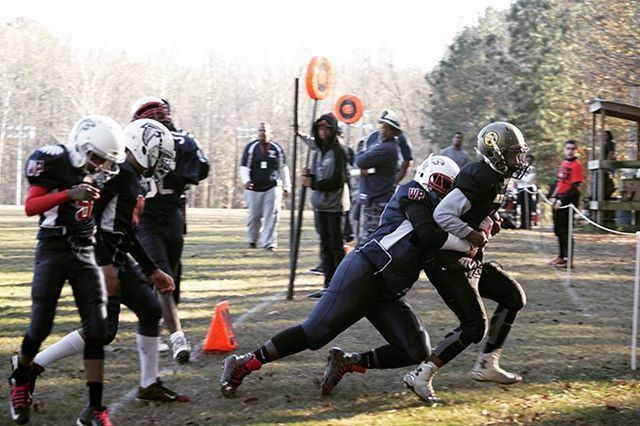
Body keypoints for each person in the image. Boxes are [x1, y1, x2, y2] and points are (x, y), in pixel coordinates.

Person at [218, 155, 471, 399]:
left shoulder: (441, 219)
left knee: (416, 349)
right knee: (315, 333)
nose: (445, 193)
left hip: (388, 290)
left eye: (450, 189)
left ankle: (347, 362)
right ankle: (244, 363)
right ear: (426, 177)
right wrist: (468, 241)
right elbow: (427, 233)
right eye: (442, 184)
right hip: (365, 271)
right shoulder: (413, 193)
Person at [29, 119, 189, 409]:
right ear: (143, 148)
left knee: (150, 309)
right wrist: (105, 265)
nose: (162, 163)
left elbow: (126, 231)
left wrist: (152, 270)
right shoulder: (117, 175)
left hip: (117, 258)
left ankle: (148, 384)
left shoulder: (133, 178)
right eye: (159, 155)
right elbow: (88, 219)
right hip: (101, 259)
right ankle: (32, 365)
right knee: (102, 331)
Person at [9, 115, 125, 425]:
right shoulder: (54, 159)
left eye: (105, 160)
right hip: (52, 248)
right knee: (39, 328)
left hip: (84, 250)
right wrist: (68, 194)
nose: (100, 165)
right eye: (98, 157)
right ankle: (21, 379)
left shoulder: (98, 171)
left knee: (98, 330)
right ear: (82, 147)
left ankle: (95, 408)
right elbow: (31, 206)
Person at [403, 122, 529, 405]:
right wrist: (474, 234)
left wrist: (489, 222)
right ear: (495, 153)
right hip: (447, 261)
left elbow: (476, 210)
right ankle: (421, 376)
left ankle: (487, 364)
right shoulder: (479, 175)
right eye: (512, 154)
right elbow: (443, 215)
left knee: (513, 296)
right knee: (474, 325)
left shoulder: (497, 176)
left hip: (465, 256)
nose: (517, 160)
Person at [132, 96, 210, 363]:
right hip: (146, 218)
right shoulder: (178, 139)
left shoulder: (181, 139)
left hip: (173, 214)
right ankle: (177, 338)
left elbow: (199, 170)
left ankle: (153, 331)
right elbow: (200, 169)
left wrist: (171, 169)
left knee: (172, 277)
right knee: (162, 275)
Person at [301, 114, 350, 299]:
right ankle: (328, 286)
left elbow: (338, 181)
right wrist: (309, 177)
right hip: (320, 205)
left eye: (327, 129)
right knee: (324, 247)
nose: (323, 132)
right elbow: (318, 178)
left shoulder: (339, 151)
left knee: (336, 247)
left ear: (332, 130)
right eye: (320, 129)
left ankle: (341, 285)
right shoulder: (318, 152)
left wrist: (313, 184)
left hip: (335, 206)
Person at [240, 122, 291, 251]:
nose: (263, 133)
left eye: (266, 130)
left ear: (271, 133)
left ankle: (269, 243)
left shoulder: (276, 148)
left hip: (272, 186)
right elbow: (244, 166)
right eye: (261, 130)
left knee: (272, 215)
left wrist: (287, 185)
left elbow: (283, 168)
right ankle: (252, 240)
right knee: (254, 216)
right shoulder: (251, 148)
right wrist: (246, 181)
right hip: (254, 187)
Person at [356, 110, 401, 242]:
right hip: (376, 198)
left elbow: (360, 161)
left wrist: (362, 152)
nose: (383, 130)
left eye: (387, 128)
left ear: (394, 132)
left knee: (371, 239)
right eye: (382, 126)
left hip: (378, 200)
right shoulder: (384, 146)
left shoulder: (386, 148)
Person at [548, 140, 584, 269]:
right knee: (558, 230)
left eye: (572, 148)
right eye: (568, 148)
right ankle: (561, 256)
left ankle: (569, 260)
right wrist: (553, 196)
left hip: (569, 202)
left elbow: (575, 187)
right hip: (559, 199)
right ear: (564, 149)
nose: (570, 151)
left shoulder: (577, 165)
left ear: (576, 150)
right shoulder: (564, 163)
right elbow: (560, 182)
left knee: (566, 231)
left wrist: (561, 201)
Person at [515, 154, 537, 229]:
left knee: (528, 207)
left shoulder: (532, 169)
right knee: (520, 207)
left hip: (528, 189)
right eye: (527, 160)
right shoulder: (521, 168)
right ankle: (522, 224)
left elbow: (528, 180)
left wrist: (521, 178)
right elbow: (516, 178)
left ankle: (528, 224)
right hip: (520, 189)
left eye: (529, 160)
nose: (528, 162)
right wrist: (521, 179)